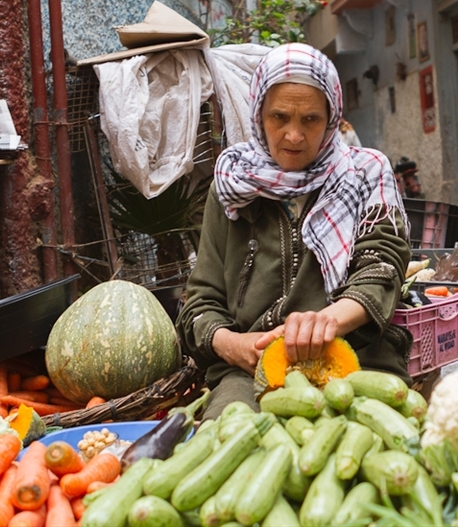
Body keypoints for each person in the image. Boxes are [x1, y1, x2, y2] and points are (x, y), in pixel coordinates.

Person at [176, 43, 413, 419]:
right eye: (280, 117)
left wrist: (327, 320)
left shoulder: (366, 173)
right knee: (228, 441)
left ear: (332, 117)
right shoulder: (232, 186)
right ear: (258, 114)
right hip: (250, 370)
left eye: (311, 119)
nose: (294, 135)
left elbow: (382, 269)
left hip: (358, 358)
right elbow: (201, 301)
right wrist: (231, 343)